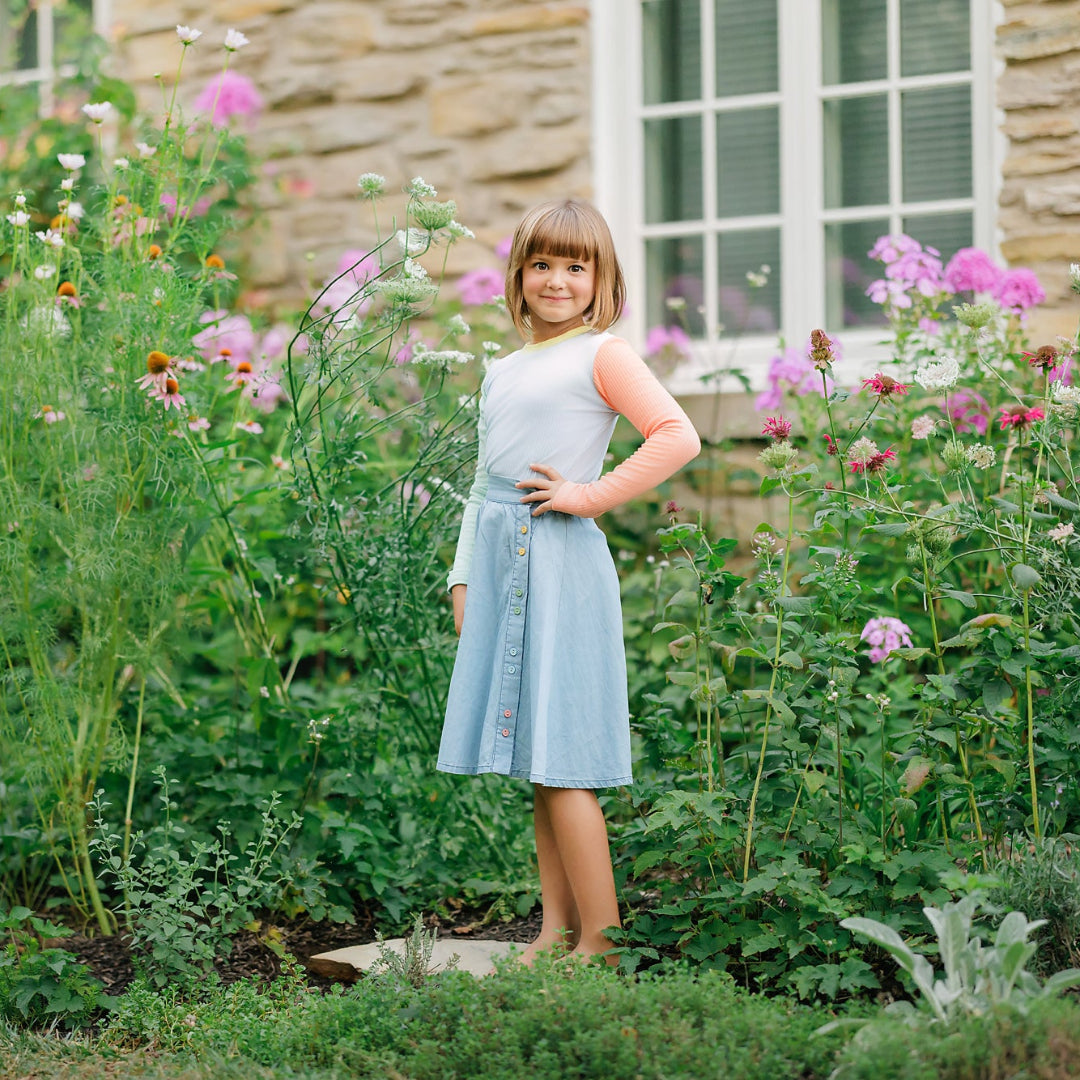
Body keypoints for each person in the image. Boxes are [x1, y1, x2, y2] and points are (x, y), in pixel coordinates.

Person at [438, 199, 700, 964]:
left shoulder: (602, 354)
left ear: (600, 280)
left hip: (558, 563)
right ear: (519, 274)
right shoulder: (504, 368)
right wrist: (462, 581)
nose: (557, 280)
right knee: (535, 763)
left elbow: (675, 435)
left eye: (575, 266)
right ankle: (557, 931)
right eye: (542, 264)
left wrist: (586, 496)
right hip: (498, 563)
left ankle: (604, 942)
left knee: (565, 759)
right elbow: (484, 482)